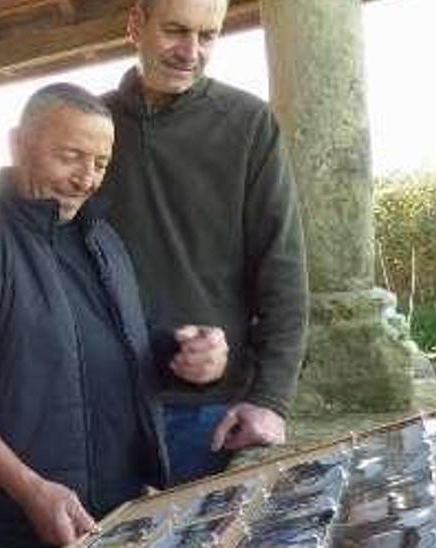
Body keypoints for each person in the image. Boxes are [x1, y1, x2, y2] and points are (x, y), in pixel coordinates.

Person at [0, 83, 229, 547]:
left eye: (100, 163)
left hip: (124, 509)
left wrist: (188, 355)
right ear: (18, 145)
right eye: (70, 156)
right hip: (19, 523)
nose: (87, 179)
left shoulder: (105, 240)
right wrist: (29, 489)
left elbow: (123, 346)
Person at [98, 0, 309, 483]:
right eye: (175, 30)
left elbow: (283, 273)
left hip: (208, 416)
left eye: (208, 35)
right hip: (100, 410)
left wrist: (270, 399)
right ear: (136, 24)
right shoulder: (93, 125)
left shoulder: (250, 125)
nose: (191, 51)